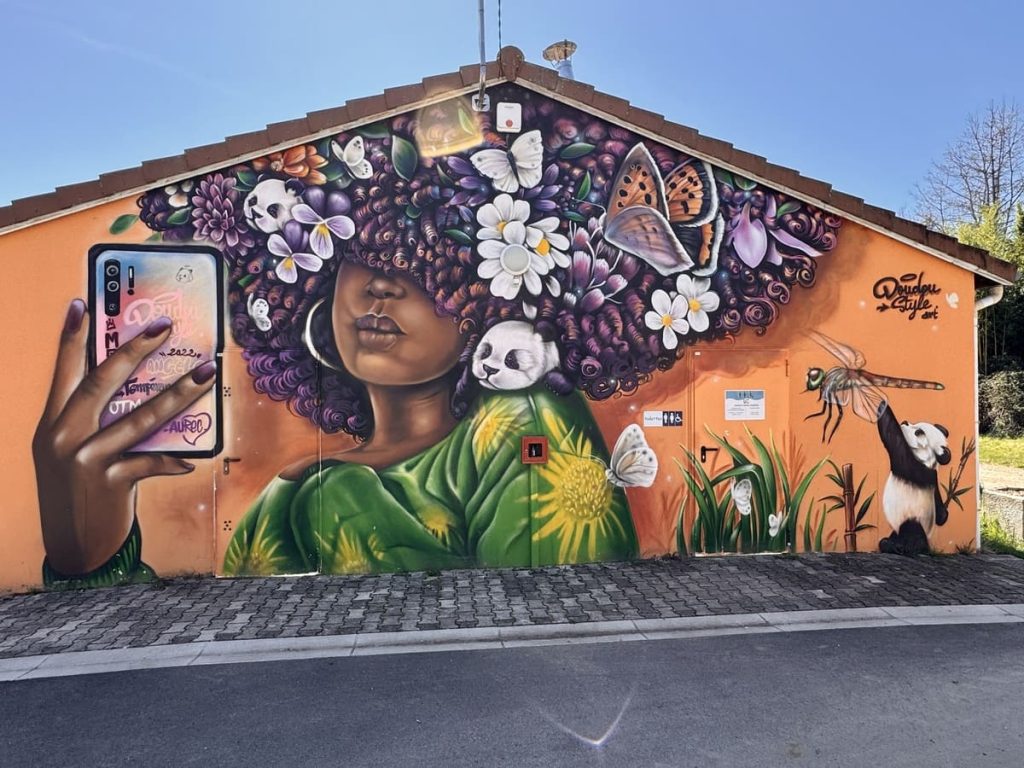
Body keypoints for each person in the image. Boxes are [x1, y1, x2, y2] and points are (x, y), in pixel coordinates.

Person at [33, 86, 834, 586]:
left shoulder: (518, 428)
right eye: (362, 258)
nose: (382, 286)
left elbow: (550, 604)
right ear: (312, 280)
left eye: (428, 271)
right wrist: (91, 557)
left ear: (495, 304)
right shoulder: (288, 498)